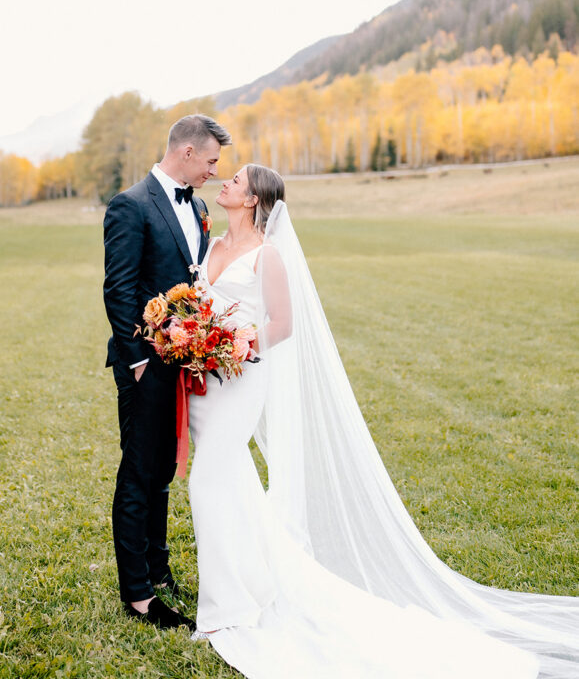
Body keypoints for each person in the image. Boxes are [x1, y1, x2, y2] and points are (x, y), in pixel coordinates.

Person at [188, 164, 579, 679]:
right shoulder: (210, 247)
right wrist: (192, 338)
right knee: (232, 484)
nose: (226, 184)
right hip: (202, 386)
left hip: (240, 380)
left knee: (205, 483)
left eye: (235, 181)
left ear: (254, 199)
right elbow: (198, 304)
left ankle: (223, 609)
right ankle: (253, 581)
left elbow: (281, 325)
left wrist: (233, 347)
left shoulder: (269, 256)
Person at [103, 114, 231, 630]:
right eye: (212, 161)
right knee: (138, 474)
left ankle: (158, 570)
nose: (215, 172)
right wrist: (136, 360)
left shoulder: (197, 206)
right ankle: (137, 595)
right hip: (143, 365)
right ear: (186, 153)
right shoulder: (130, 206)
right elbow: (120, 290)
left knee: (161, 475)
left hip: (181, 362)